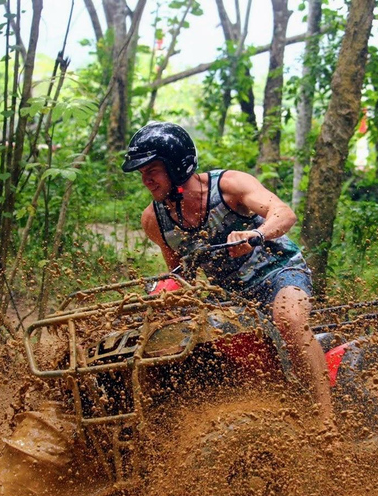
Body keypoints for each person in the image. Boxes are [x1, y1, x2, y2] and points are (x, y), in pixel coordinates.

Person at [122, 121, 333, 424]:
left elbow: (284, 214)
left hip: (279, 274)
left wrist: (257, 235)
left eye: (152, 171)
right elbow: (181, 274)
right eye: (142, 174)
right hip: (230, 296)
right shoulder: (153, 220)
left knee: (290, 318)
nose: (146, 181)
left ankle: (326, 421)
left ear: (176, 166)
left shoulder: (229, 186)